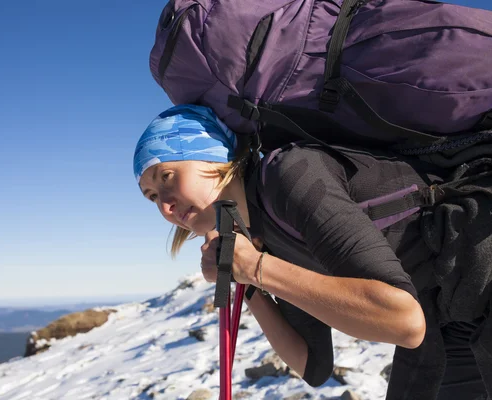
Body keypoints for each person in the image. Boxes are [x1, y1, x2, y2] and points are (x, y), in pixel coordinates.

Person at [132, 104, 492, 400]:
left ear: (214, 157)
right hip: (449, 317)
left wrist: (256, 267)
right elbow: (313, 366)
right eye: (151, 196)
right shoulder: (263, 233)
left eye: (166, 176)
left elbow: (403, 321)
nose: (164, 206)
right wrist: (248, 281)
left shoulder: (290, 176)